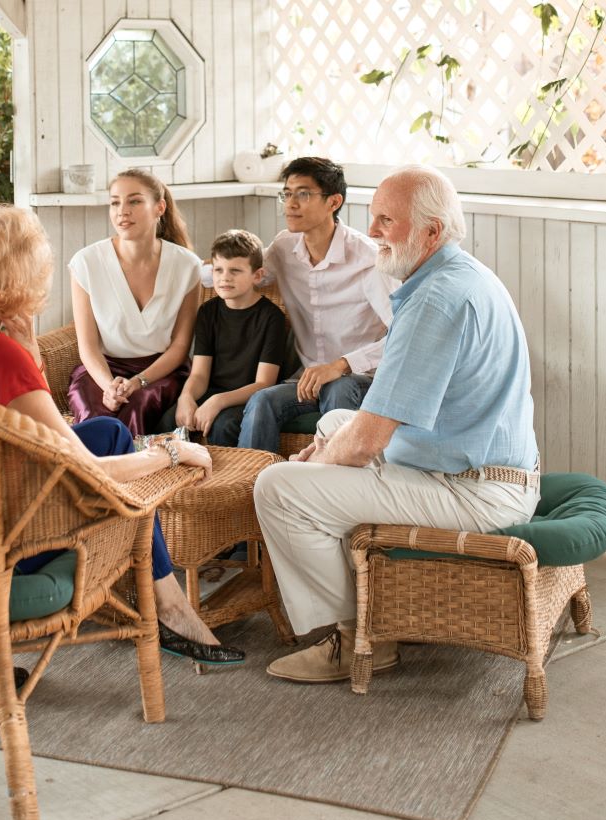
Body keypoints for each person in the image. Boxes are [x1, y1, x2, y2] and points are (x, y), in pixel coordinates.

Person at [0, 204, 244, 667]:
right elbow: (89, 470)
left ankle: (165, 605)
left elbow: (29, 426)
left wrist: (31, 354)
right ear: (26, 272)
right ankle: (171, 608)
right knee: (126, 484)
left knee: (109, 431)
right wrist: (171, 452)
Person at [254, 165, 541, 683]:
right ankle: (370, 598)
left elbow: (365, 444)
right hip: (477, 465)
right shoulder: (459, 274)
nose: (373, 232)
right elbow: (364, 428)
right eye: (373, 217)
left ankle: (361, 635)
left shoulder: (435, 300)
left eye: (388, 220)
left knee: (278, 487)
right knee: (334, 420)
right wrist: (327, 454)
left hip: (474, 491)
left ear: (432, 232)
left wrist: (317, 463)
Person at [235, 156, 399, 454]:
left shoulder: (368, 259)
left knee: (339, 388)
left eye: (303, 194)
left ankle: (331, 491)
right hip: (306, 380)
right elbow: (247, 274)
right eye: (287, 193)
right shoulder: (285, 248)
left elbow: (403, 334)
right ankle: (253, 492)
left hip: (361, 380)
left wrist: (340, 365)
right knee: (262, 402)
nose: (291, 203)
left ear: (333, 202)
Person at [68, 169, 201, 435]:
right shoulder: (86, 263)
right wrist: (108, 386)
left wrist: (139, 382)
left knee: (136, 406)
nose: (122, 211)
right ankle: (95, 476)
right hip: (102, 370)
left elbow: (180, 346)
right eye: (115, 202)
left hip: (161, 373)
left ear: (159, 207)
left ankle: (135, 475)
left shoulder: (187, 266)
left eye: (134, 201)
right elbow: (88, 346)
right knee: (97, 418)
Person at [157, 229, 286, 447]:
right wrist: (186, 397)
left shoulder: (272, 317)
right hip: (210, 390)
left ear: (257, 275)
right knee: (169, 419)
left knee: (223, 425)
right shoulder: (207, 312)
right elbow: (199, 374)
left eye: (235, 270)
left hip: (247, 397)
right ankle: (177, 478)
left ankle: (225, 480)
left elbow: (264, 383)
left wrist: (218, 401)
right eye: (218, 270)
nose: (225, 277)